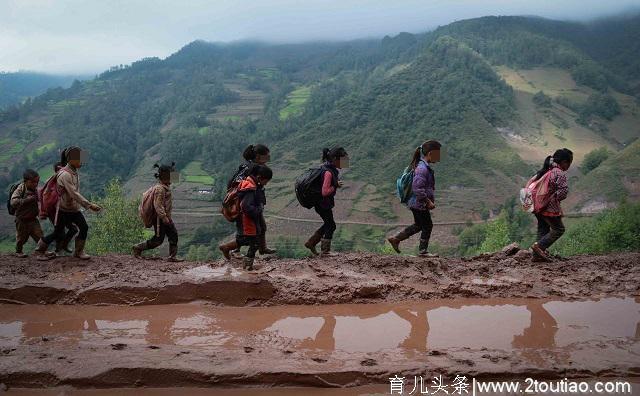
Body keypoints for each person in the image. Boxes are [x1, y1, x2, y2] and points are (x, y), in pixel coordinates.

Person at [37, 146, 102, 260]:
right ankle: (40, 250)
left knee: (84, 227)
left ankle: (78, 252)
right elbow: (74, 194)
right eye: (80, 159)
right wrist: (90, 205)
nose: (82, 162)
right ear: (71, 160)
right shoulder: (65, 175)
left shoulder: (73, 171)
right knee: (57, 233)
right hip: (64, 209)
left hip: (73, 208)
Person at [387, 140, 441, 257]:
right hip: (419, 203)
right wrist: (428, 201)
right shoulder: (422, 169)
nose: (439, 157)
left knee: (419, 225)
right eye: (438, 154)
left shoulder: (422, 166)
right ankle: (423, 251)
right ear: (431, 153)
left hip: (416, 203)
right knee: (427, 225)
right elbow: (417, 188)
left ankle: (396, 239)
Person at [220, 164, 273, 270]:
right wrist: (259, 209)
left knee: (244, 240)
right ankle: (247, 266)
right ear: (259, 178)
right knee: (255, 242)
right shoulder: (250, 188)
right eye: (265, 181)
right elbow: (246, 207)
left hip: (246, 219)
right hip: (247, 220)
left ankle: (226, 247)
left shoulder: (250, 184)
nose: (266, 184)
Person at [227, 144, 275, 256]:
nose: (267, 160)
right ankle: (231, 249)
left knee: (261, 227)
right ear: (258, 156)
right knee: (245, 232)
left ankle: (262, 248)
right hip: (246, 204)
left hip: (249, 203)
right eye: (266, 157)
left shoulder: (245, 166)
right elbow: (249, 187)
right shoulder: (253, 168)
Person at [132, 163, 184, 262]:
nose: (173, 178)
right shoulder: (159, 189)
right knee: (158, 240)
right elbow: (158, 205)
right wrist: (164, 217)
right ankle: (138, 247)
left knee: (173, 234)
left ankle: (172, 256)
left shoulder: (164, 187)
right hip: (160, 219)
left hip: (165, 217)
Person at [304, 147, 348, 257]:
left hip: (321, 203)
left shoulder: (327, 169)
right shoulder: (328, 172)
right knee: (331, 225)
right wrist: (335, 186)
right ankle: (325, 251)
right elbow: (325, 192)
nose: (345, 162)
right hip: (323, 203)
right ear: (334, 159)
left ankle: (312, 242)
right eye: (343, 160)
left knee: (329, 224)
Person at [530, 148, 573, 262]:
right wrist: (555, 199)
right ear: (564, 162)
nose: (569, 166)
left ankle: (536, 256)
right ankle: (539, 247)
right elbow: (563, 192)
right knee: (559, 229)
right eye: (569, 163)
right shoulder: (559, 173)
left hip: (537, 206)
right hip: (549, 207)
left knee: (543, 229)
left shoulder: (546, 170)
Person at [10, 169, 44, 258]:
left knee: (40, 236)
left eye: (37, 182)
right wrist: (27, 200)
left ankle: (43, 251)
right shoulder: (20, 189)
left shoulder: (35, 189)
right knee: (21, 238)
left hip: (33, 219)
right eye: (32, 182)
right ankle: (18, 251)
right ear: (26, 181)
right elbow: (13, 202)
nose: (35, 184)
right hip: (22, 220)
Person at [51, 161, 78, 254]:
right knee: (59, 232)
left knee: (62, 231)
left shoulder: (61, 179)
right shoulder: (56, 182)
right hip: (57, 211)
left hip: (62, 210)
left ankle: (60, 248)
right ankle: (55, 250)